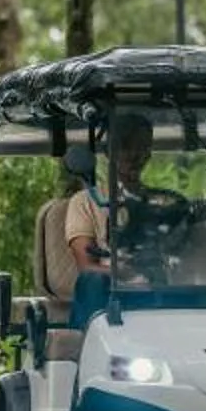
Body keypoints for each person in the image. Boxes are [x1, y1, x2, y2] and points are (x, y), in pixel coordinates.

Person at [63, 112, 155, 320]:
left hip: (155, 291)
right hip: (109, 299)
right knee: (93, 280)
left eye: (142, 147)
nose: (135, 155)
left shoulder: (159, 202)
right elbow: (86, 266)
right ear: (108, 151)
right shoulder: (86, 202)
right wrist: (125, 273)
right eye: (126, 146)